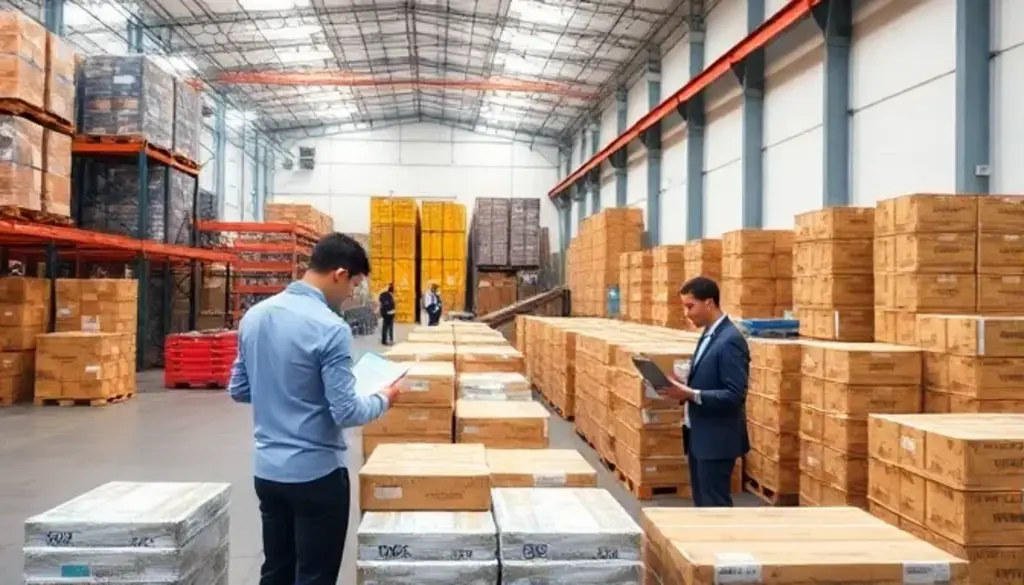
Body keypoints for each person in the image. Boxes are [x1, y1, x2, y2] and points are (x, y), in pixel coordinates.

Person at [228, 232, 402, 585]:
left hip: (268, 473)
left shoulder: (255, 317)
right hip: (316, 476)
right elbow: (347, 412)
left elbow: (240, 389)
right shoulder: (330, 327)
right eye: (353, 284)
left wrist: (281, 387)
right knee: (314, 576)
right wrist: (385, 397)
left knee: (276, 571)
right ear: (339, 274)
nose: (351, 293)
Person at [657, 276, 749, 507]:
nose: (687, 313)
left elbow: (734, 395)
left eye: (690, 306)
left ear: (709, 303)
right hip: (699, 436)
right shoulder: (709, 335)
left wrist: (690, 394)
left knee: (715, 506)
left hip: (716, 440)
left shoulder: (730, 341)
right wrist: (683, 383)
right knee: (703, 505)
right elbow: (710, 380)